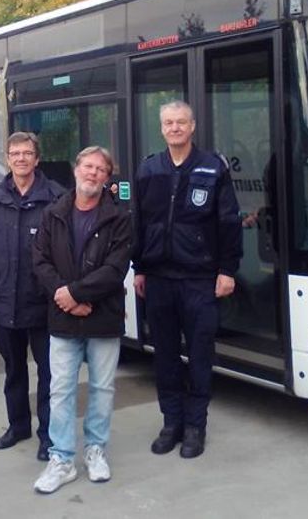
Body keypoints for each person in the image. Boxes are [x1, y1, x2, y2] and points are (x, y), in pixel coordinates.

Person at [132, 100, 242, 459]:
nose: (174, 128)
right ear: (161, 128)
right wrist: (140, 268)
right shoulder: (149, 169)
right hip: (160, 279)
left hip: (200, 280)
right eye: (168, 123)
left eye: (181, 122)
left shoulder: (213, 168)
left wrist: (227, 270)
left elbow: (228, 221)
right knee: (164, 357)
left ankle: (196, 427)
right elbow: (140, 224)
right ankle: (171, 423)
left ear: (193, 126)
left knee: (198, 357)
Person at [31, 146, 132, 494]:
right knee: (60, 391)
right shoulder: (53, 213)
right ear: (76, 170)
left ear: (107, 177)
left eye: (100, 169)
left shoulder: (119, 217)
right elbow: (40, 262)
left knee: (102, 390)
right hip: (63, 319)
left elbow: (114, 269)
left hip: (103, 319)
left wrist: (76, 294)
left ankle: (95, 450)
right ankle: (61, 459)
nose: (92, 173)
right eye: (87, 166)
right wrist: (67, 298)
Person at [0, 131, 65, 462]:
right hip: (4, 303)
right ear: (8, 159)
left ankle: (47, 434)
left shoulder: (55, 198)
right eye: (15, 154)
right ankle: (18, 426)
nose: (21, 158)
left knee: (48, 373)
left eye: (27, 153)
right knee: (13, 370)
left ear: (37, 159)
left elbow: (65, 253)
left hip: (43, 304)